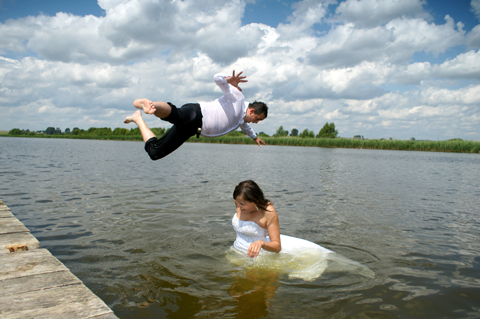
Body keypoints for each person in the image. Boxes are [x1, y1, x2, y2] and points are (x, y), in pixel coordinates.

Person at [230, 180, 376, 281]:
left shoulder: (268, 213)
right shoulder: (239, 201)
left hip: (256, 257)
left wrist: (261, 242)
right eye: (238, 202)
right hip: (235, 251)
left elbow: (277, 246)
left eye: (243, 204)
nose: (239, 206)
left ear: (254, 201)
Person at [124, 71, 268, 160]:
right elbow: (217, 78)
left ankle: (138, 118)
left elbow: (247, 128)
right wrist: (228, 79)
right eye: (258, 119)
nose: (256, 122)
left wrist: (255, 137)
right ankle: (150, 104)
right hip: (197, 114)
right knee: (176, 115)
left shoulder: (241, 120)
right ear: (252, 111)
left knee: (155, 153)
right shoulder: (238, 98)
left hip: (192, 129)